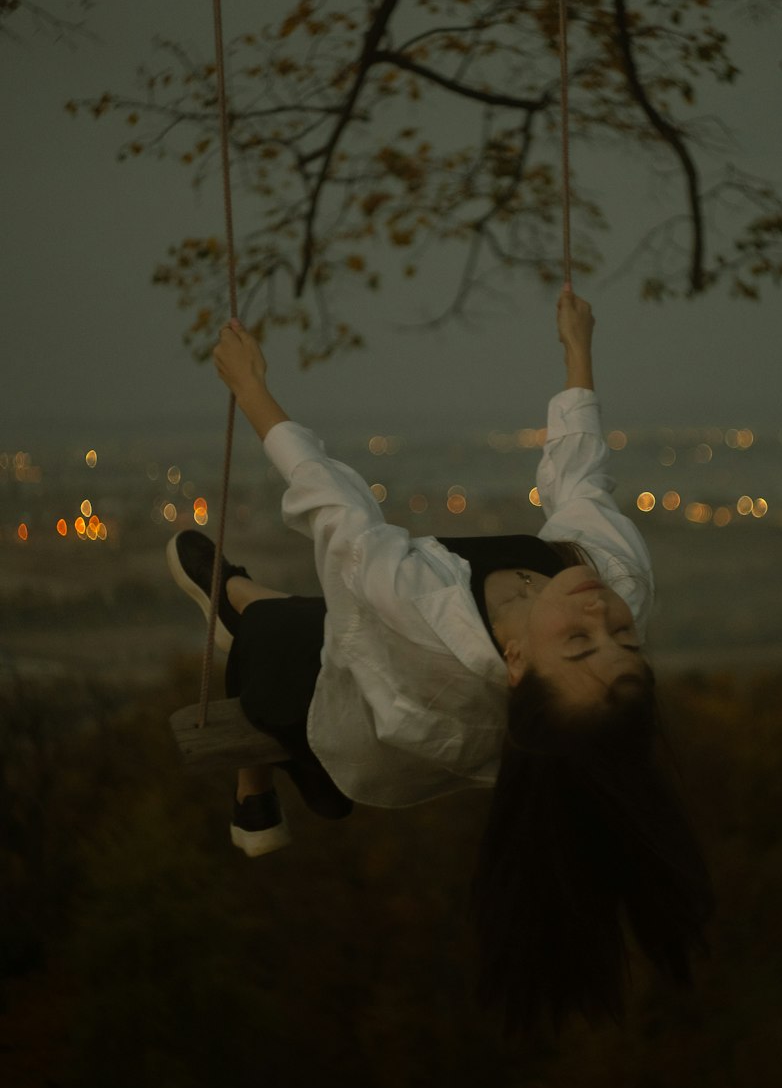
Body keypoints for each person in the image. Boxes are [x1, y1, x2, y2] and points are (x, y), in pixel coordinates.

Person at [169, 286, 714, 1032]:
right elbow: (581, 476)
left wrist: (252, 386)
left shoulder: (429, 620)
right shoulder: (614, 581)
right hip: (380, 668)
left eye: (580, 641)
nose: (607, 616)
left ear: (516, 662)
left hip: (342, 700)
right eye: (625, 642)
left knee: (263, 628)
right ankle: (288, 776)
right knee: (327, 622)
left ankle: (248, 706)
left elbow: (338, 512)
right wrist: (579, 350)